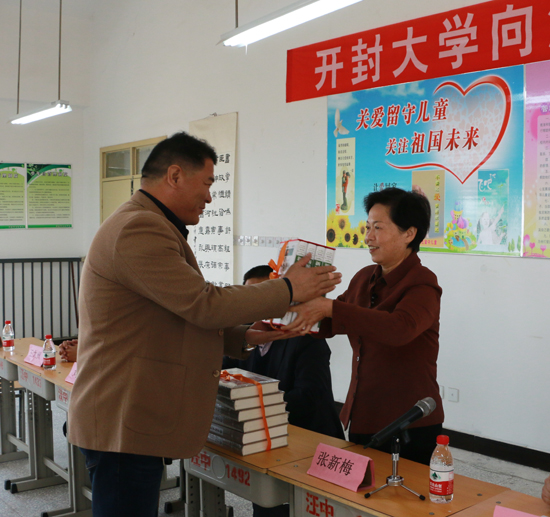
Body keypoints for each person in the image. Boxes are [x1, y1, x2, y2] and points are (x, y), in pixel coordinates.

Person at [67, 131, 341, 517]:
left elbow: (177, 314)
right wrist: (289, 288)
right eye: (208, 183)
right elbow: (203, 304)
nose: (210, 197)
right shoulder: (139, 228)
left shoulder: (148, 223)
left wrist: (246, 334)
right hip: (123, 419)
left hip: (131, 415)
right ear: (175, 175)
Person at [286, 187, 444, 465]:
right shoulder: (364, 278)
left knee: (402, 492)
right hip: (364, 413)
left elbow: (399, 328)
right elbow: (331, 321)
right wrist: (289, 308)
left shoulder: (423, 283)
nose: (368, 237)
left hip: (410, 421)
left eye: (378, 228)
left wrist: (329, 307)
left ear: (409, 233)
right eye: (368, 227)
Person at [223, 265, 344, 517]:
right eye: (249, 296)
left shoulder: (306, 339)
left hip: (309, 442)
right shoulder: (242, 337)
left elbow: (309, 396)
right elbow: (224, 376)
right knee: (266, 504)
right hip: (263, 441)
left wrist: (252, 406)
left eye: (263, 295)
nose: (255, 304)